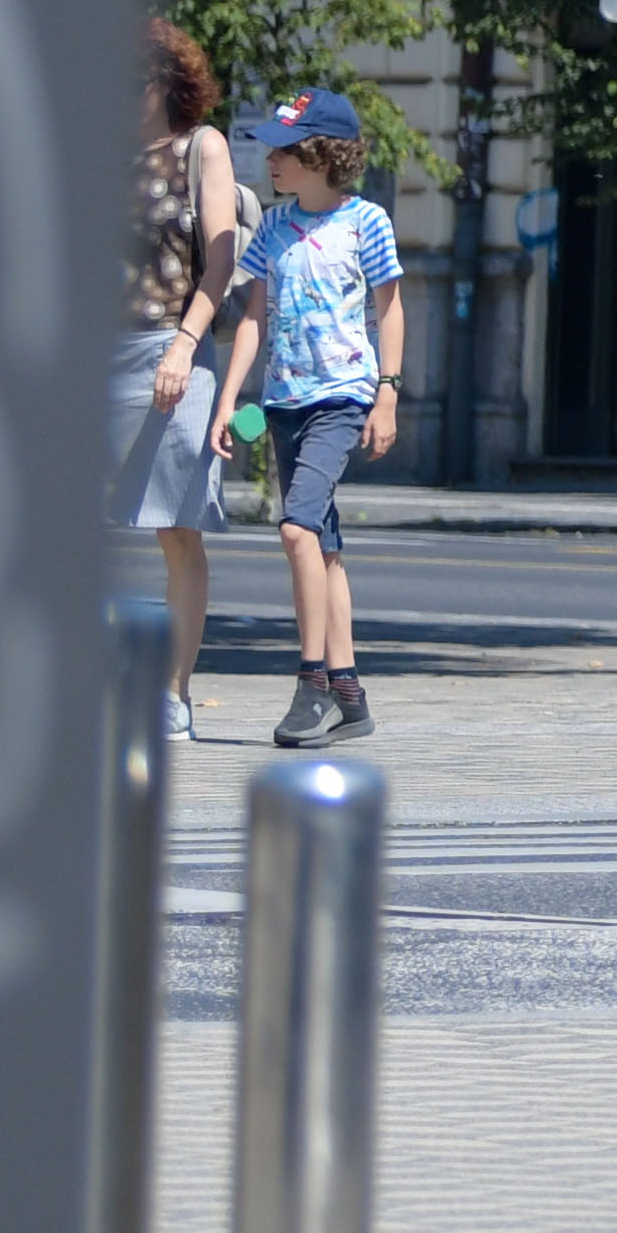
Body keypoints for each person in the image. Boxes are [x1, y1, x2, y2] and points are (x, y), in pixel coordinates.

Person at [230, 95, 407, 748]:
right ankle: (351, 694)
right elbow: (252, 318)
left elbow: (390, 311)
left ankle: (312, 685)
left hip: (341, 399)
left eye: (285, 150)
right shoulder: (273, 227)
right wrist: (229, 401)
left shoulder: (367, 223)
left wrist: (386, 393)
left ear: (323, 156)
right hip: (284, 403)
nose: (271, 159)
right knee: (325, 549)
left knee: (297, 529)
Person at [119, 23, 251, 729]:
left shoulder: (202, 147)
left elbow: (221, 261)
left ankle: (171, 695)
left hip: (172, 350)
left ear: (166, 83)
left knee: (176, 532)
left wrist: (183, 346)